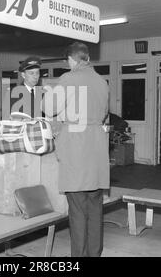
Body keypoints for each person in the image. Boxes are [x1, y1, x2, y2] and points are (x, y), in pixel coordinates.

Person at [42, 42, 110, 257]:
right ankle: (94, 254)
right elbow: (104, 113)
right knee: (95, 206)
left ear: (71, 59)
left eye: (68, 61)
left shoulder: (68, 78)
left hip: (76, 148)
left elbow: (49, 108)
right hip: (98, 149)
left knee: (78, 208)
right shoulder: (102, 81)